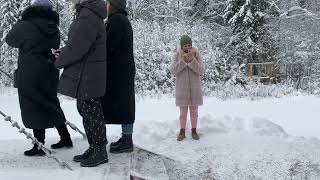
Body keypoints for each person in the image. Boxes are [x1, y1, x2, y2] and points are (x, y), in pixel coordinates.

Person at [5, 0, 73, 156]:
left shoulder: (26, 24)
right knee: (51, 103)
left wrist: (20, 22)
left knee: (33, 104)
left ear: (33, 8)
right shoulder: (53, 26)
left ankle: (39, 145)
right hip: (50, 70)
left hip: (31, 71)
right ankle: (66, 138)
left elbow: (10, 39)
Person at [53, 0, 108, 167]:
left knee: (91, 112)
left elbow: (77, 48)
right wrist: (63, 51)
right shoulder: (88, 14)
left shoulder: (87, 16)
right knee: (87, 110)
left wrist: (58, 61)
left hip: (87, 74)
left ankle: (99, 150)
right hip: (87, 72)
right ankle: (95, 147)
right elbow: (79, 44)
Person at [101, 0, 136, 154]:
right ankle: (126, 138)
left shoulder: (117, 21)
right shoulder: (119, 20)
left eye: (108, 4)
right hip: (122, 70)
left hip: (119, 72)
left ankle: (127, 141)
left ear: (113, 6)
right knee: (125, 105)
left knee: (124, 105)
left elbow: (108, 46)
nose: (105, 7)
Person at [169, 35, 204, 141]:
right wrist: (183, 62)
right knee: (183, 113)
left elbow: (201, 70)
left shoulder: (196, 54)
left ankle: (194, 130)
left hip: (195, 89)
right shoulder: (177, 55)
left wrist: (192, 61)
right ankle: (182, 131)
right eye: (185, 45)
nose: (187, 47)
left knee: (194, 112)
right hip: (182, 89)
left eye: (189, 45)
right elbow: (173, 70)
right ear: (181, 46)